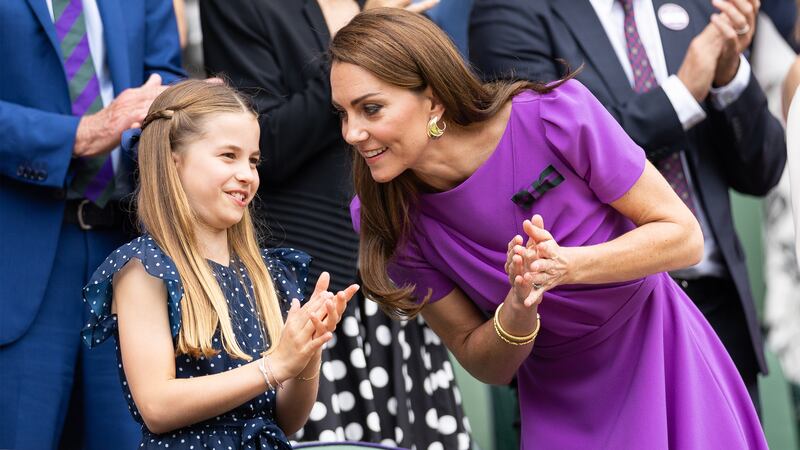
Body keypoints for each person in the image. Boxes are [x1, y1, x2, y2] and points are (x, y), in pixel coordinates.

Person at [331, 8, 768, 449]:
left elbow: (683, 236)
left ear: (434, 98)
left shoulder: (554, 115)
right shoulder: (383, 214)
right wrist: (516, 311)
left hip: (660, 352)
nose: (351, 132)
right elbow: (486, 364)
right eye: (342, 114)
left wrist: (566, 266)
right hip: (557, 397)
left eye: (370, 109)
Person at [469, 0, 787, 408]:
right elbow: (545, 151)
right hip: (602, 325)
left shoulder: (696, 5)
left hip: (716, 312)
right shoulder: (509, 11)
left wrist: (728, 76)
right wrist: (680, 95)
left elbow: (762, 171)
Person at [200, 1, 471, 447]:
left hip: (396, 267)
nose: (353, 131)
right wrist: (367, 30)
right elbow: (265, 147)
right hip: (309, 289)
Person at [80, 80, 359, 449]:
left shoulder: (268, 274)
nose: (247, 173)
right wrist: (273, 367)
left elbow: (287, 420)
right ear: (173, 161)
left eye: (254, 160)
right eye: (229, 156)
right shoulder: (146, 268)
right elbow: (157, 406)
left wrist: (306, 353)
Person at [0, 1, 183, 448]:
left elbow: (164, 80)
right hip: (19, 256)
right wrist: (79, 134)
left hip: (129, 253)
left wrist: (186, 107)